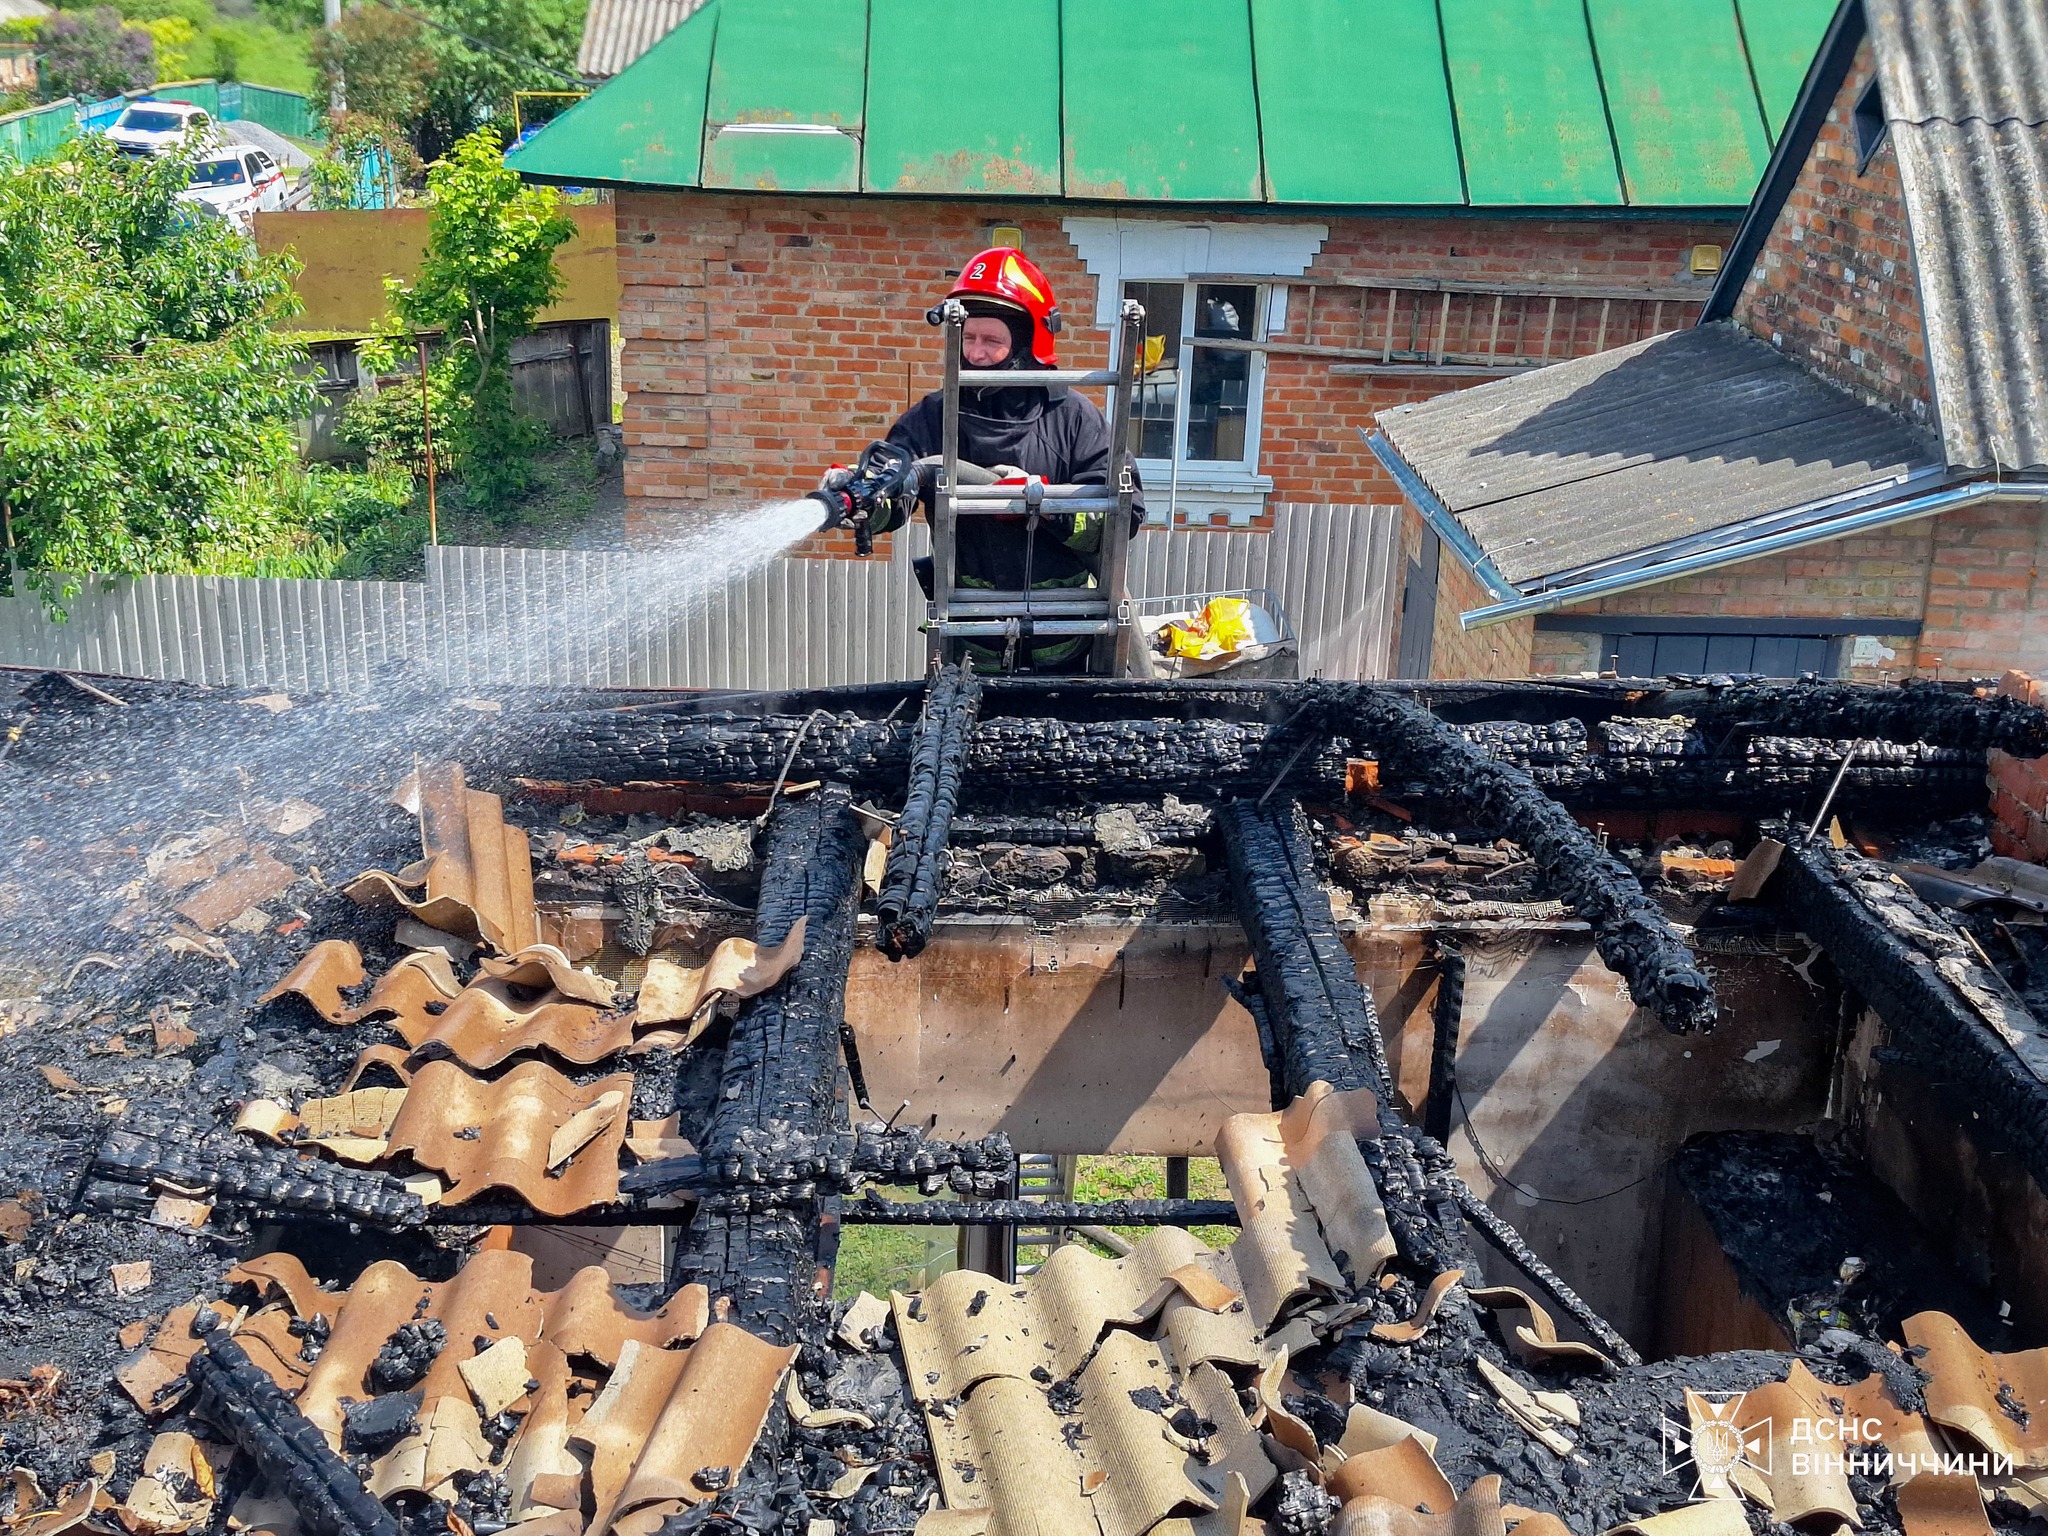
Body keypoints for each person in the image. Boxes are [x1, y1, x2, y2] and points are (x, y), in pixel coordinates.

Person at [825, 247, 1145, 670]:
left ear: (1029, 342)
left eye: (992, 341)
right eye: (969, 338)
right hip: (968, 649)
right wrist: (864, 495)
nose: (975, 353)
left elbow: (1125, 518)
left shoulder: (1073, 418)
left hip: (1067, 651)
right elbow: (899, 492)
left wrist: (1048, 505)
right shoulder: (935, 416)